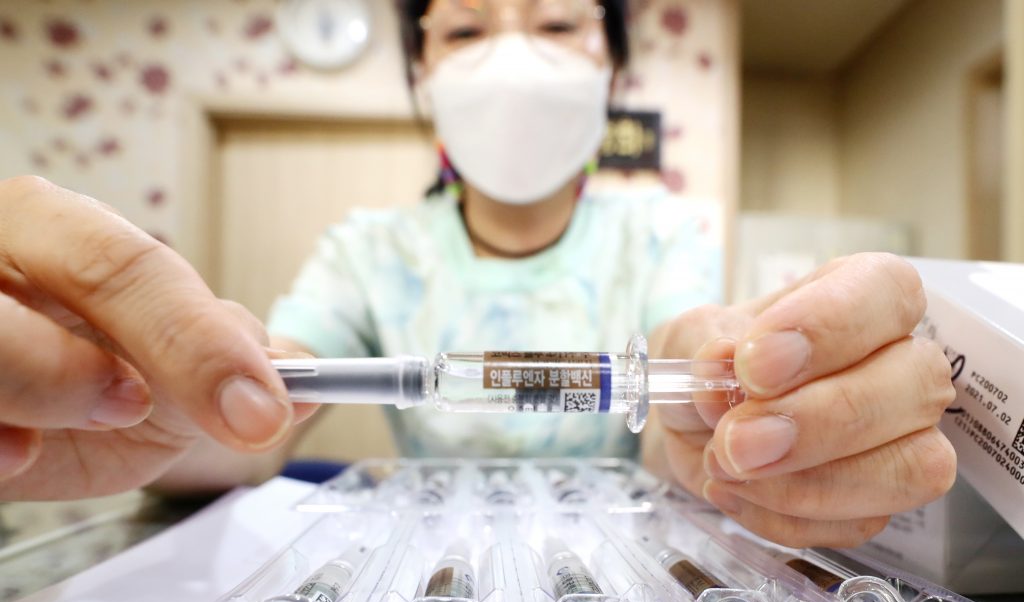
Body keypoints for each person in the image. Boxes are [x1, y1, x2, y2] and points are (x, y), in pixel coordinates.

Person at [0, 0, 955, 549]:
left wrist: (737, 400)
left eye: (554, 22)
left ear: (612, 67)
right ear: (420, 70)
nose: (511, 58)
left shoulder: (660, 234)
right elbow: (255, 413)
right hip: (433, 567)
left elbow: (684, 368)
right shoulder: (371, 250)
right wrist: (141, 396)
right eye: (463, 30)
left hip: (619, 565)